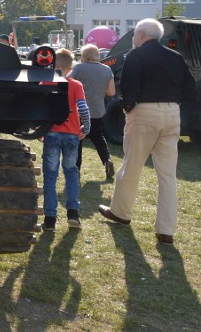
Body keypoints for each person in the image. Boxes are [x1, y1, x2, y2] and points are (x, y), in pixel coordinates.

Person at [98, 18, 198, 245]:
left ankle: (121, 212)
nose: (133, 39)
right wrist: (178, 108)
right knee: (167, 174)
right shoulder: (176, 57)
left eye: (134, 35)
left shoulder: (135, 55)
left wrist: (128, 108)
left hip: (144, 112)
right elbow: (191, 89)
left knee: (132, 165)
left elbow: (129, 85)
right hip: (172, 114)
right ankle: (166, 230)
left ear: (142, 35)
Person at [42, 48, 90, 231]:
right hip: (72, 134)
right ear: (70, 67)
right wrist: (86, 127)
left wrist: (40, 129)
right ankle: (73, 214)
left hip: (52, 133)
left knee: (50, 176)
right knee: (71, 173)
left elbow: (42, 109)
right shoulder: (76, 85)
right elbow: (83, 108)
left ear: (53, 65)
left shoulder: (46, 83)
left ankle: (50, 219)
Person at [68, 43, 116, 179]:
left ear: (85, 56)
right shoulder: (107, 70)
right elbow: (111, 92)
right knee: (98, 136)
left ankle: (76, 170)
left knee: (78, 138)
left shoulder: (79, 68)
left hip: (79, 110)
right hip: (98, 110)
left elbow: (67, 83)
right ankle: (107, 160)